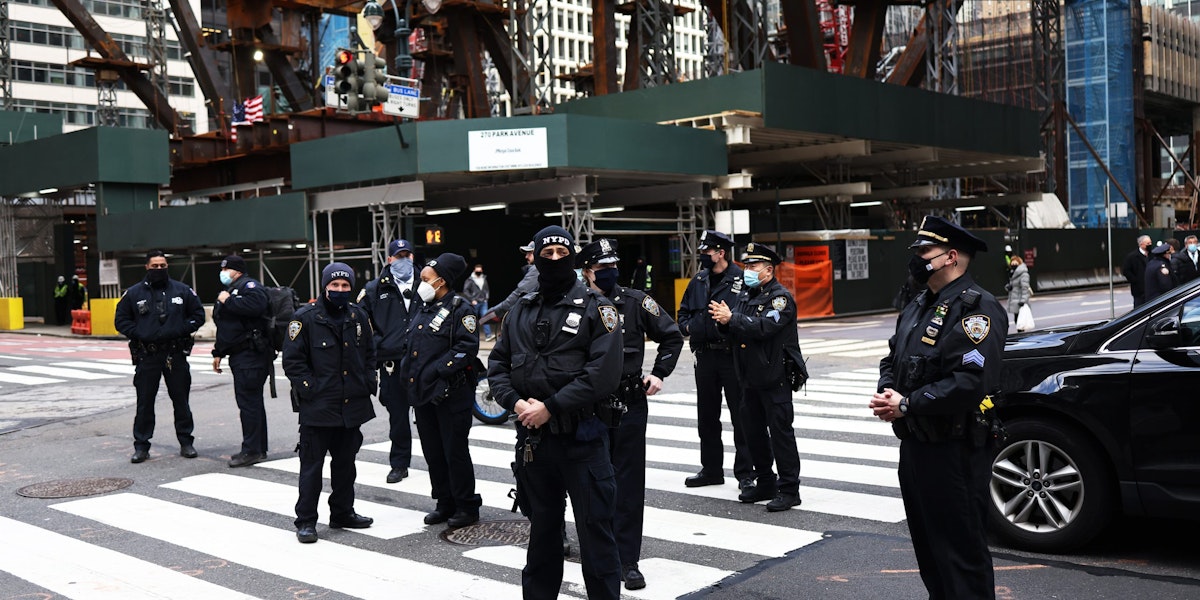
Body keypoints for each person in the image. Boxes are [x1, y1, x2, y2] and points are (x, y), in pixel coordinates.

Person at [870, 215, 1007, 599]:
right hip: (916, 446)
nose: (916, 258)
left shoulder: (977, 309)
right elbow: (893, 358)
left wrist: (908, 404)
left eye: (924, 251)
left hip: (955, 450)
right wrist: (888, 392)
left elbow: (970, 383)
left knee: (960, 554)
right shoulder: (917, 304)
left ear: (950, 257)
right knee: (929, 550)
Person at [488, 225, 623, 600]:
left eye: (562, 255)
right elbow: (497, 366)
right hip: (535, 444)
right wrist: (515, 403)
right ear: (535, 257)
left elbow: (603, 375)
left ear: (574, 259)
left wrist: (551, 407)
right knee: (543, 537)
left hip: (583, 440)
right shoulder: (520, 311)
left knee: (596, 536)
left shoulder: (601, 309)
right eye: (546, 255)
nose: (554, 261)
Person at [578, 238, 683, 591]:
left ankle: (627, 559)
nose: (609, 273)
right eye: (602, 268)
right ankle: (597, 553)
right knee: (591, 481)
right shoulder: (576, 304)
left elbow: (672, 336)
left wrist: (659, 373)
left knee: (627, 483)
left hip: (628, 403)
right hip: (587, 404)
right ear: (586, 272)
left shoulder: (637, 302)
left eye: (612, 267)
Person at [283, 262, 377, 544]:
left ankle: (342, 512)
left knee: (346, 465)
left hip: (352, 406)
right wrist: (310, 389)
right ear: (325, 287)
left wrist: (369, 380)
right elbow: (293, 361)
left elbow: (370, 353)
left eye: (345, 286)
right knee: (311, 467)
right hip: (319, 407)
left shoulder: (358, 316)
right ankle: (306, 521)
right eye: (334, 286)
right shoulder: (305, 318)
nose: (339, 290)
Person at [708, 242, 803, 512]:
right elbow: (737, 328)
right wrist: (723, 322)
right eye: (746, 265)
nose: (748, 269)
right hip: (748, 377)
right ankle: (765, 481)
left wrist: (732, 319)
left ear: (769, 269)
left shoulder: (780, 298)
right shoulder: (747, 296)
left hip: (775, 378)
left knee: (781, 434)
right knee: (753, 433)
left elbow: (764, 327)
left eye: (753, 265)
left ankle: (789, 488)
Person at [402, 253, 483, 528]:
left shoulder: (462, 309)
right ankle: (444, 502)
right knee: (433, 452)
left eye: (425, 279)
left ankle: (466, 506)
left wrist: (437, 371)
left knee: (454, 452)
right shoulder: (422, 307)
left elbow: (466, 349)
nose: (420, 283)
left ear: (442, 281)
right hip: (424, 395)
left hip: (451, 394)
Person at [676, 230, 755, 490]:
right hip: (705, 355)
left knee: (741, 415)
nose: (703, 257)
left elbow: (750, 316)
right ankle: (711, 469)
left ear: (721, 253)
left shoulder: (742, 280)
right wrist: (688, 328)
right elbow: (683, 313)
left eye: (707, 252)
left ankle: (746, 472)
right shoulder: (698, 280)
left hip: (732, 355)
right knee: (707, 416)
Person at [113, 250, 206, 463]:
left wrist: (182, 329)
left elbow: (198, 315)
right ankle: (142, 446)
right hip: (148, 355)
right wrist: (140, 333)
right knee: (145, 402)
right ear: (147, 267)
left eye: (162, 266)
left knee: (181, 400)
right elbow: (121, 321)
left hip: (175, 355)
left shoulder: (182, 290)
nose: (158, 269)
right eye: (154, 266)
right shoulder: (134, 293)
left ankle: (186, 442)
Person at [359, 239, 418, 484]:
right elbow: (359, 321)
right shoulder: (375, 288)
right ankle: (399, 463)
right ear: (389, 259)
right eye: (399, 255)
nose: (404, 259)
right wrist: (377, 346)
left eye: (408, 254)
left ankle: (440, 460)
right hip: (391, 362)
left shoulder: (428, 283)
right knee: (398, 416)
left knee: (430, 415)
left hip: (421, 359)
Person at [211, 254, 273, 467]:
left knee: (249, 403)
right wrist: (218, 352)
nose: (223, 273)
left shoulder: (250, 286)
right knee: (251, 403)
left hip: (251, 355)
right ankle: (257, 448)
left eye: (226, 269)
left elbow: (256, 306)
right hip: (240, 355)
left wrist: (228, 300)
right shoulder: (232, 289)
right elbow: (226, 326)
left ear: (235, 270)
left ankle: (252, 450)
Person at [484, 240, 539, 322]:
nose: (526, 256)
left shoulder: (537, 269)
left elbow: (519, 294)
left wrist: (494, 313)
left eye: (530, 253)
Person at [461, 263, 494, 341]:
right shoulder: (470, 280)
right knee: (472, 319)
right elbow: (465, 291)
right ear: (474, 270)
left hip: (483, 302)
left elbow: (486, 289)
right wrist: (472, 299)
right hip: (475, 302)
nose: (478, 272)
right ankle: (470, 336)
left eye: (480, 271)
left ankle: (488, 335)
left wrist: (486, 298)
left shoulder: (484, 278)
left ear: (481, 270)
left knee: (485, 317)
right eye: (477, 271)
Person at [1122, 235, 1152, 307]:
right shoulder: (1132, 257)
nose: (1150, 245)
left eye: (1150, 243)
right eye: (1148, 243)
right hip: (1139, 291)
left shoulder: (1152, 255)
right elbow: (1126, 271)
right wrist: (1136, 281)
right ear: (1141, 244)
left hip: (1151, 289)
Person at [1005, 255, 1031, 332]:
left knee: (1020, 319)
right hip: (1014, 299)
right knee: (1017, 319)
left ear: (1019, 264)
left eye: (1015, 263)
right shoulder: (1013, 273)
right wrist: (1008, 287)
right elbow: (1013, 286)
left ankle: (1021, 335)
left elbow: (1025, 288)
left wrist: (1023, 300)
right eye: (1012, 263)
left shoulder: (1023, 274)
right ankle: (1020, 333)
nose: (1013, 265)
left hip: (1019, 300)